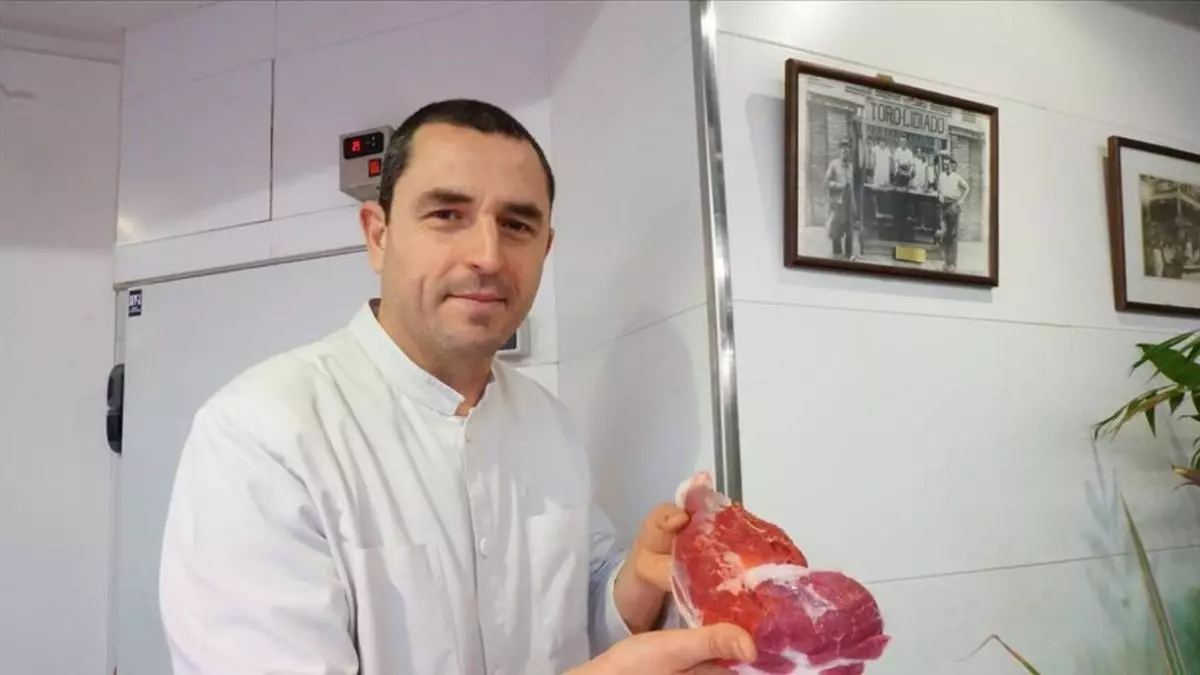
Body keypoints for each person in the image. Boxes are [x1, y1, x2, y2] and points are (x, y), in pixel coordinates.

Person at [157, 99, 755, 675]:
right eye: (447, 215)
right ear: (378, 235)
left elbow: (578, 609)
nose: (487, 256)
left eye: (516, 224)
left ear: (545, 249)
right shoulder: (263, 433)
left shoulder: (549, 424)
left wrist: (637, 581)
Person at [935, 155, 970, 272]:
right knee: (945, 235)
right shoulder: (941, 176)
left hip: (953, 206)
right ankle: (946, 263)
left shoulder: (957, 177)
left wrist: (961, 200)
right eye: (945, 165)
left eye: (948, 165)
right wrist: (940, 195)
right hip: (943, 206)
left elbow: (967, 188)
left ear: (952, 165)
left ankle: (953, 264)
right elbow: (939, 189)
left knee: (953, 236)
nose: (947, 167)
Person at [824, 139, 857, 259]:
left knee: (849, 230)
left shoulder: (851, 167)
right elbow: (827, 182)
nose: (845, 150)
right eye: (843, 147)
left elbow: (852, 187)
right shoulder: (834, 164)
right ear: (840, 150)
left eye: (848, 148)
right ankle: (837, 253)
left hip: (848, 202)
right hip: (838, 201)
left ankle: (849, 254)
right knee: (836, 229)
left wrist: (854, 206)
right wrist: (839, 185)